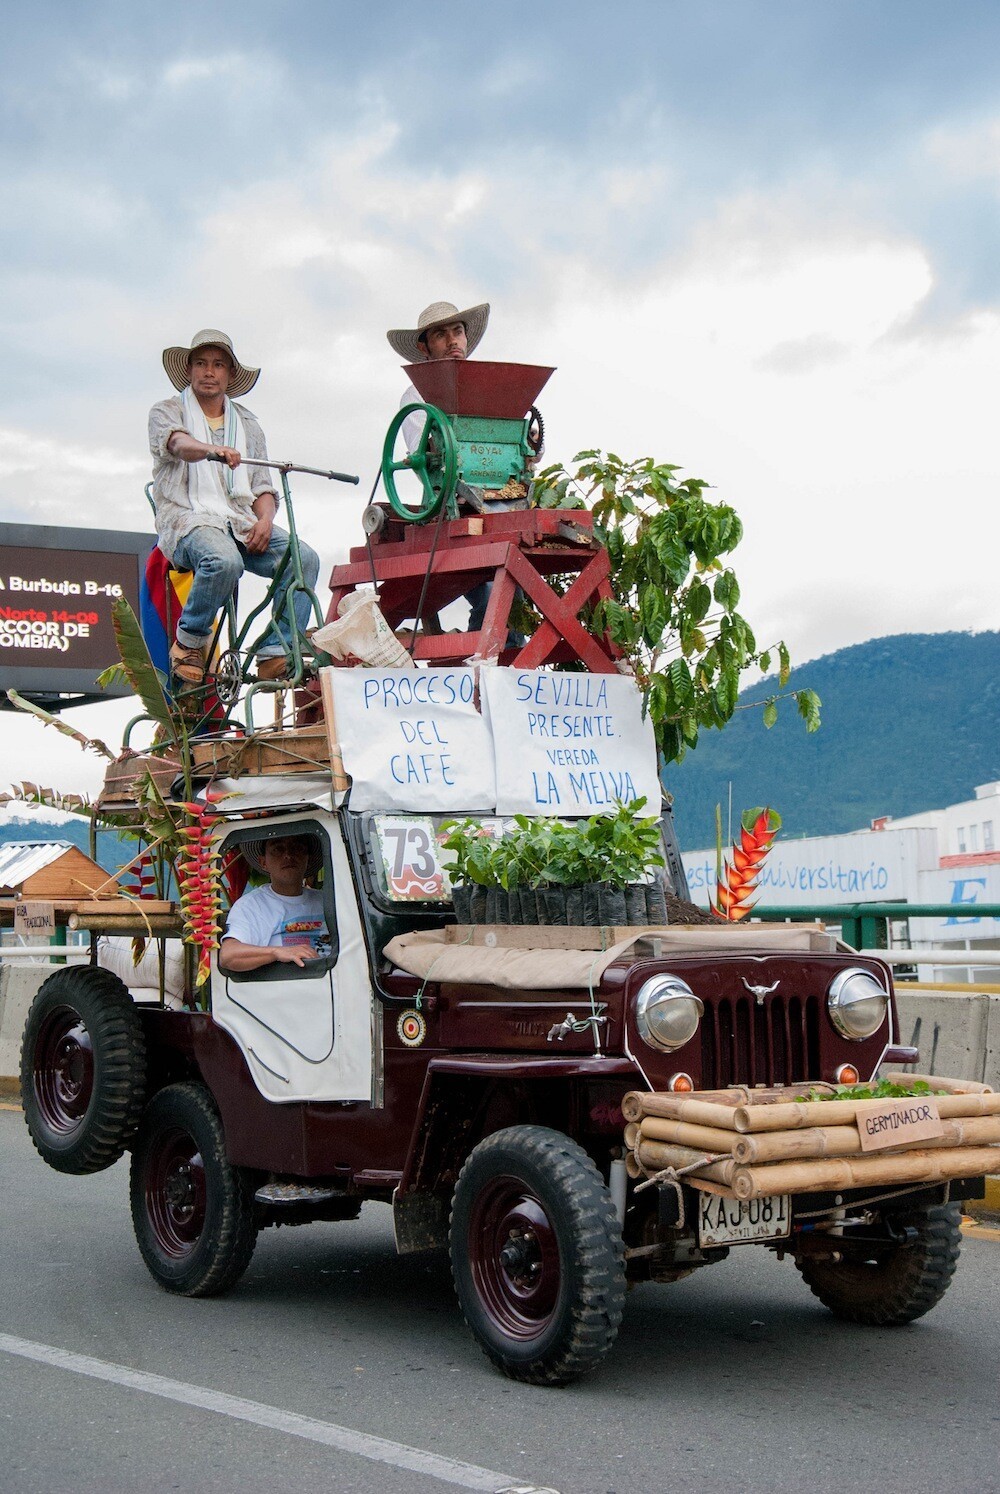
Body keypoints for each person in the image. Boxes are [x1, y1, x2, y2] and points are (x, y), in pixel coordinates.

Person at [148, 328, 321, 685]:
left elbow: (262, 485)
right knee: (222, 560)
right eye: (201, 363)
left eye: (217, 365)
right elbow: (179, 445)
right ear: (189, 370)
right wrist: (211, 451)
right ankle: (189, 643)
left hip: (238, 522)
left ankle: (276, 652)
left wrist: (266, 520)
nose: (209, 372)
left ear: (228, 374)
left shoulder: (248, 424)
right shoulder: (167, 411)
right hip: (188, 520)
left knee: (304, 559)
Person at [387, 300, 497, 630]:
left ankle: (494, 659)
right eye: (441, 335)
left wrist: (532, 440)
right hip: (448, 511)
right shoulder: (416, 395)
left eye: (458, 331)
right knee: (493, 591)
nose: (452, 341)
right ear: (424, 347)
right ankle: (489, 661)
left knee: (515, 591)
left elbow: (524, 439)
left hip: (501, 503)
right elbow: (425, 454)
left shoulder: (490, 385)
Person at [219, 835, 329, 973]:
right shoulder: (251, 905)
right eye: (278, 849)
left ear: (308, 858)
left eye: (297, 848)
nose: (288, 855)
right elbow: (228, 956)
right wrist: (277, 952)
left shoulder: (329, 900)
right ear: (263, 862)